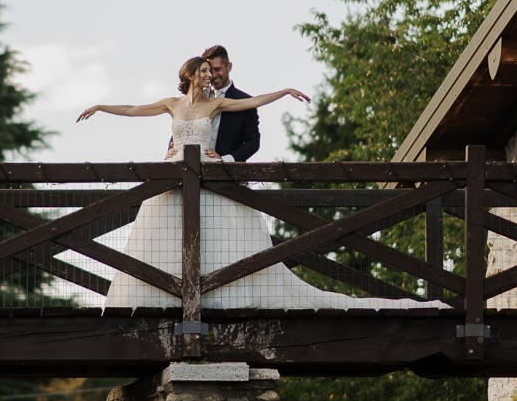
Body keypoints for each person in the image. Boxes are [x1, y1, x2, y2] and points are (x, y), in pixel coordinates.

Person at [78, 53, 448, 310]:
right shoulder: (171, 104)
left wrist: (283, 92)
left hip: (208, 175)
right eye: (204, 72)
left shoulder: (215, 105)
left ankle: (216, 292)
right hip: (174, 175)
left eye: (211, 71)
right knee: (165, 234)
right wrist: (100, 106)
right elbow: (133, 109)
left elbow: (251, 103)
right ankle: (163, 294)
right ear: (190, 75)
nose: (209, 77)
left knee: (214, 232)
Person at [165, 43, 259, 164]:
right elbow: (182, 128)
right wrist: (171, 149)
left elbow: (253, 142)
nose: (212, 75)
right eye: (209, 70)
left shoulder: (244, 101)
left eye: (217, 69)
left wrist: (224, 159)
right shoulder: (196, 97)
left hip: (228, 172)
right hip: (189, 168)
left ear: (229, 67)